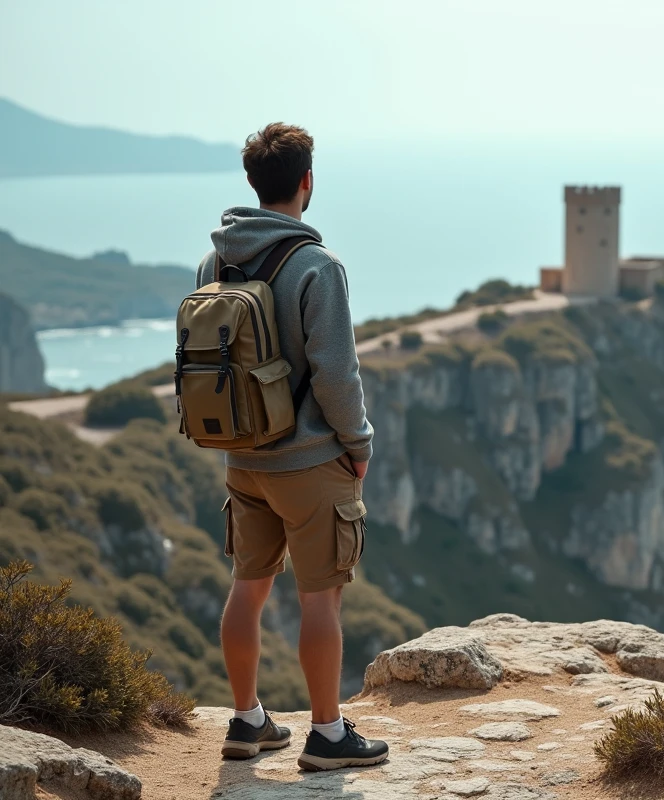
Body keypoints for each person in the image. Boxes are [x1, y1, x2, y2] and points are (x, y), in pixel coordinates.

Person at [196, 123, 388, 771]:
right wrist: (357, 445)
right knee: (319, 598)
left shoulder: (215, 261)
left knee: (247, 588)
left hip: (242, 458)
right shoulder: (316, 266)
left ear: (254, 183)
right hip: (308, 462)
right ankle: (328, 734)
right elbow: (338, 372)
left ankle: (247, 721)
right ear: (307, 182)